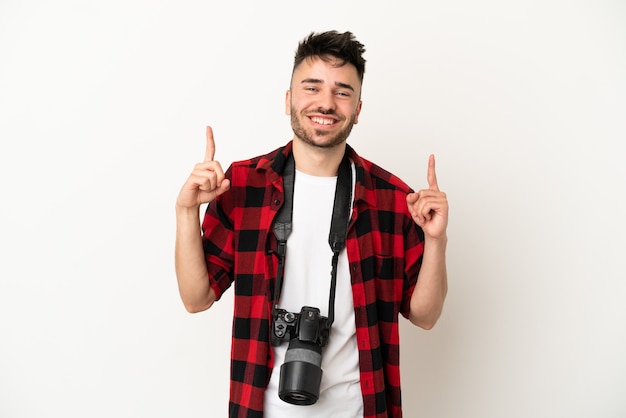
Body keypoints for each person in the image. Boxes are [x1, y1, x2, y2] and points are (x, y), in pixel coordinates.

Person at [175, 30, 448, 418]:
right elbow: (195, 298)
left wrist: (436, 241)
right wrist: (185, 212)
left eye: (342, 92)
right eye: (312, 87)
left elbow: (425, 315)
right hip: (260, 408)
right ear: (288, 100)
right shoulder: (241, 185)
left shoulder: (391, 197)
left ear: (357, 108)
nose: (326, 103)